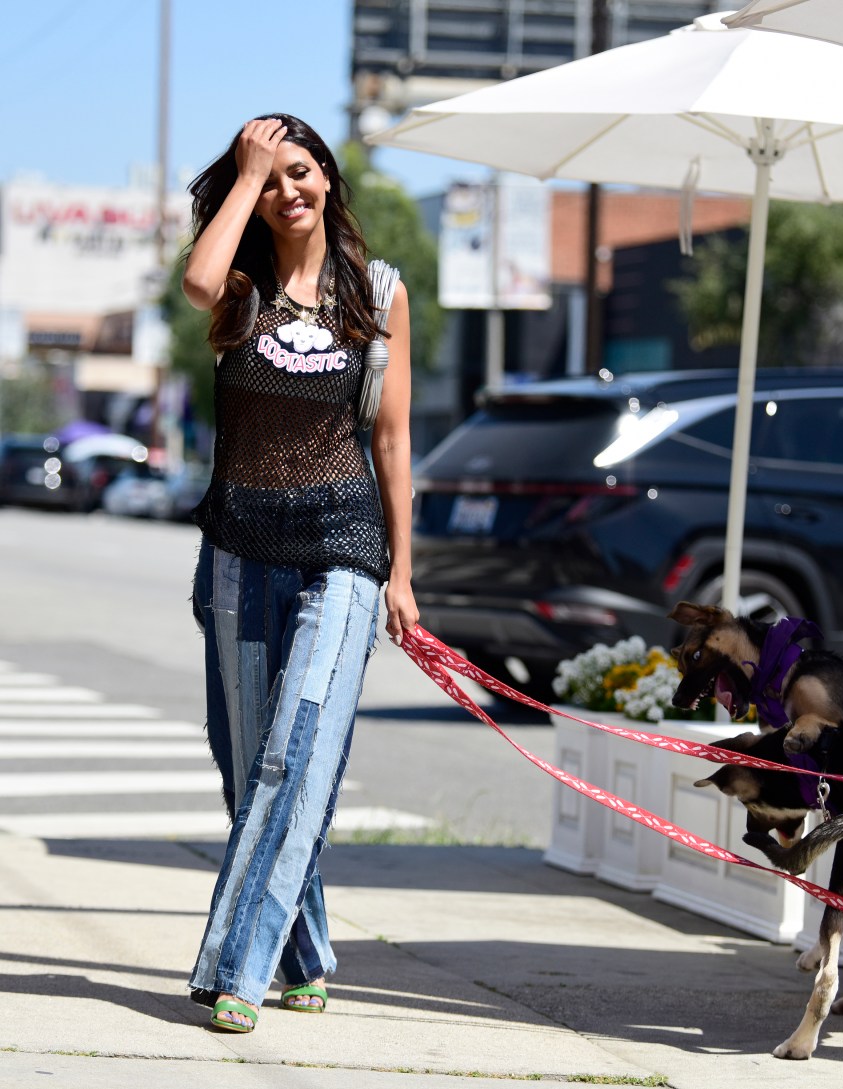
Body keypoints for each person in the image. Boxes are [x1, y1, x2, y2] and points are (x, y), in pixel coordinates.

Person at [181, 114, 419, 1033]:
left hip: (344, 547)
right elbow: (196, 277)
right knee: (251, 773)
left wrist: (402, 573)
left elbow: (393, 439)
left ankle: (234, 969)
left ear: (330, 176)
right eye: (271, 177)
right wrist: (242, 175)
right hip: (239, 550)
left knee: (299, 750)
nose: (291, 189)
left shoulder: (380, 291)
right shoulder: (234, 285)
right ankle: (307, 949)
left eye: (303, 169)